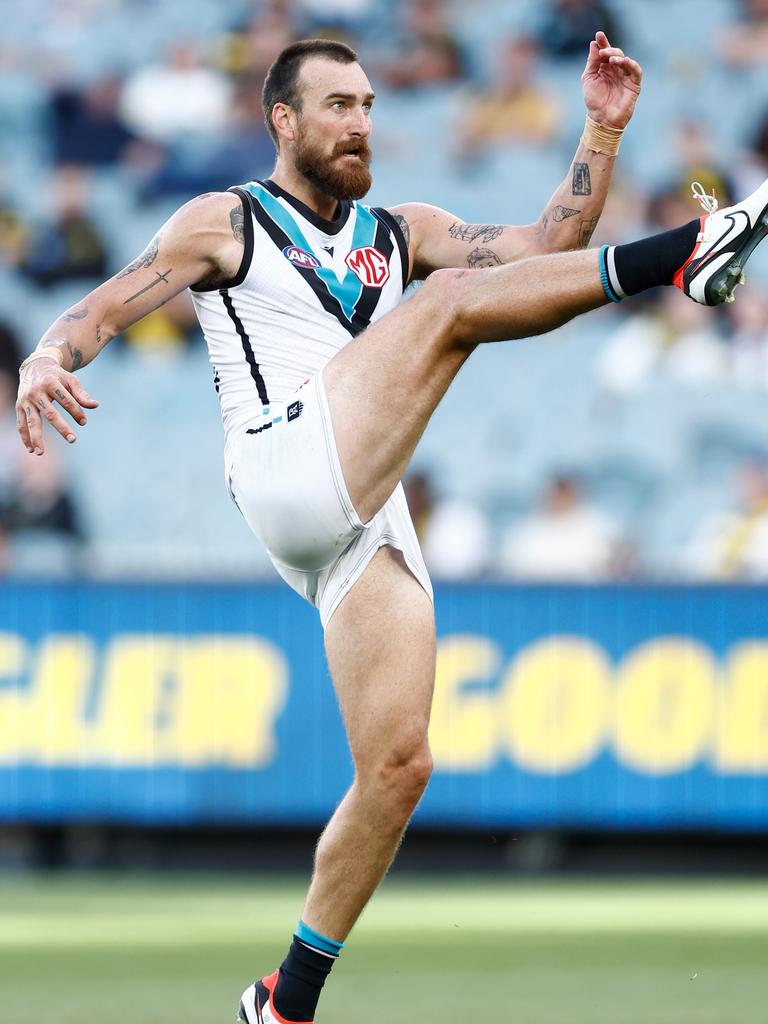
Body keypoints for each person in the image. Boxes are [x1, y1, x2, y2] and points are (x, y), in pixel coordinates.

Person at [14, 35, 768, 1024]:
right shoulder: (225, 219)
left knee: (400, 766)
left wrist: (600, 128)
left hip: (360, 512)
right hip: (282, 463)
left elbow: (546, 248)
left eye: (367, 102)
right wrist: (45, 351)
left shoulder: (399, 228)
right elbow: (109, 306)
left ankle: (284, 1000)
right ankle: (686, 256)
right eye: (336, 105)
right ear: (283, 120)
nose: (360, 121)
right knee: (447, 307)